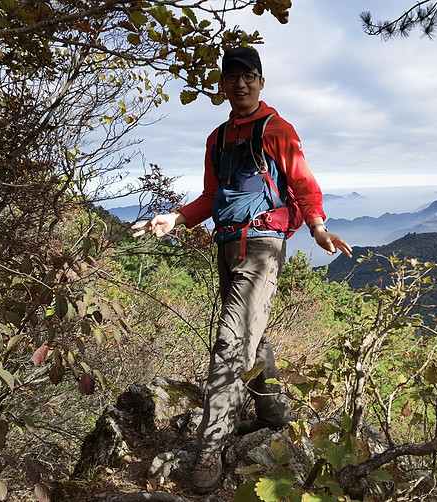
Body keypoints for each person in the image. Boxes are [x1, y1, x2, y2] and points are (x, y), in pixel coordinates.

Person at [131, 46, 352, 494]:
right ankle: (272, 413)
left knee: (230, 338)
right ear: (222, 86)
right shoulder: (217, 138)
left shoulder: (277, 129)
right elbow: (212, 196)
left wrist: (318, 227)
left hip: (263, 245)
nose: (240, 84)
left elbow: (303, 182)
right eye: (232, 77)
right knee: (253, 332)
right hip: (227, 244)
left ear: (261, 81)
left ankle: (211, 446)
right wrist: (175, 218)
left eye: (248, 75)